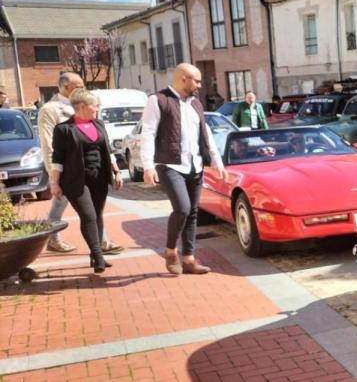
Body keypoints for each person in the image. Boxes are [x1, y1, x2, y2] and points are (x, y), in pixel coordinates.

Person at [141, 63, 226, 275]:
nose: (199, 85)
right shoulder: (158, 100)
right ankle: (170, 251)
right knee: (182, 208)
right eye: (196, 81)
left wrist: (217, 161)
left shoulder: (196, 103)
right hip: (170, 165)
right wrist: (148, 166)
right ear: (183, 79)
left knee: (193, 212)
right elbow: (148, 133)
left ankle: (189, 259)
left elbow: (206, 133)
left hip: (195, 165)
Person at [38, 72, 123, 254]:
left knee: (91, 210)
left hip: (89, 169)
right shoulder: (50, 109)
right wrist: (55, 176)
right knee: (64, 204)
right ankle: (54, 238)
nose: (83, 89)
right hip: (67, 170)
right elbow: (48, 143)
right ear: (65, 87)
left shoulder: (87, 105)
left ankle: (100, 242)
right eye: (79, 86)